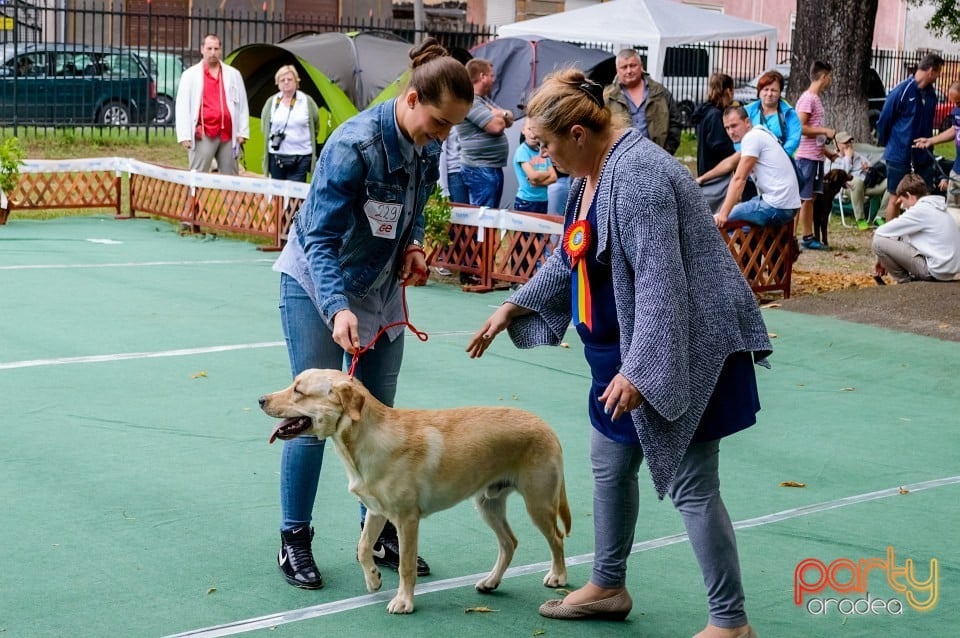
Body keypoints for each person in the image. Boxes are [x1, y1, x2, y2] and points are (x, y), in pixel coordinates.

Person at [467, 69, 770, 638]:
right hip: (622, 353)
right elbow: (569, 257)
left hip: (681, 349)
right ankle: (607, 586)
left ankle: (730, 623)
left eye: (546, 146)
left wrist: (641, 371)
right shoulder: (590, 175)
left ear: (578, 133)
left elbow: (662, 287)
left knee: (693, 485)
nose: (544, 157)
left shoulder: (640, 178)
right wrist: (514, 306)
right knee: (609, 465)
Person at [269, 37, 473, 590]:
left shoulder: (427, 145)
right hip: (317, 284)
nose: (444, 136)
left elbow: (407, 209)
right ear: (411, 100)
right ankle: (294, 539)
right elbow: (319, 239)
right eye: (438, 122)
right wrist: (337, 308)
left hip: (379, 290)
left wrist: (410, 246)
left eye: (453, 127)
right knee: (311, 419)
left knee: (381, 419)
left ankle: (378, 530)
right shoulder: (352, 145)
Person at [698, 105, 800, 228]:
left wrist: (723, 215)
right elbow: (729, 163)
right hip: (785, 205)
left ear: (747, 122)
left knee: (716, 222)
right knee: (740, 227)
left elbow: (739, 179)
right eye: (727, 128)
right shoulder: (758, 134)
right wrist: (702, 178)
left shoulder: (752, 138)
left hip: (777, 205)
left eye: (734, 126)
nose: (730, 132)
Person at [876, 52, 944, 222]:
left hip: (923, 154)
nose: (939, 76)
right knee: (896, 197)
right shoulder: (902, 91)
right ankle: (890, 236)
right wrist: (890, 144)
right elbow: (884, 120)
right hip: (900, 154)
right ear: (931, 71)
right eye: (938, 72)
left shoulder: (931, 95)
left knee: (925, 198)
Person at [175, 34, 249, 175]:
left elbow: (242, 104)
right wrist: (184, 135)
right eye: (209, 48)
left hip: (228, 132)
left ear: (220, 50)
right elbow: (182, 106)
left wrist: (242, 131)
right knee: (197, 174)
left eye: (216, 48)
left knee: (231, 176)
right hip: (203, 132)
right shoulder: (190, 75)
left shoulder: (233, 74)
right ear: (202, 49)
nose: (213, 52)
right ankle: (195, 197)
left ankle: (230, 197)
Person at [873, 173, 960, 284]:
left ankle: (905, 283)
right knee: (902, 235)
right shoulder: (936, 206)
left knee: (878, 242)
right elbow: (899, 235)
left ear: (909, 195)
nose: (903, 206)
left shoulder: (919, 210)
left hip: (936, 271)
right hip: (949, 270)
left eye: (903, 201)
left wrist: (880, 259)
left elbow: (880, 232)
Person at [456, 58, 514, 208]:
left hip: (488, 168)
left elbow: (510, 118)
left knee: (490, 216)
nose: (494, 79)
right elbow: (497, 126)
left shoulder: (483, 100)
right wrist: (501, 115)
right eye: (491, 75)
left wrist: (500, 114)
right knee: (483, 218)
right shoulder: (470, 101)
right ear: (482, 76)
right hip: (480, 169)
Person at [604, 49, 682, 155]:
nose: (629, 71)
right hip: (622, 159)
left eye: (633, 65)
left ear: (641, 66)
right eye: (624, 67)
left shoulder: (660, 92)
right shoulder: (608, 97)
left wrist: (666, 152)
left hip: (657, 158)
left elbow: (675, 123)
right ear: (617, 70)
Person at [794, 60, 836, 250]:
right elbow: (800, 128)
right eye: (830, 77)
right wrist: (825, 130)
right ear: (824, 76)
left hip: (816, 156)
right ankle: (791, 236)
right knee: (802, 198)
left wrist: (826, 152)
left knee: (811, 198)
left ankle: (807, 236)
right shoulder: (808, 99)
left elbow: (813, 133)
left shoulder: (817, 99)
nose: (830, 81)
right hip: (806, 157)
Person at [259, 65, 320, 182]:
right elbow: (265, 127)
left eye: (290, 79)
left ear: (296, 81)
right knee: (278, 196)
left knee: (295, 197)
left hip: (302, 156)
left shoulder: (307, 101)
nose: (286, 82)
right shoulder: (271, 102)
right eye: (282, 80)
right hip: (276, 157)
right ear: (277, 83)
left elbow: (316, 127)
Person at [691, 73, 740, 212]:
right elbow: (719, 145)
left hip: (705, 166)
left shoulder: (705, 111)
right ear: (728, 91)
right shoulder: (715, 115)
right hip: (716, 171)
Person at [913, 80, 960, 208]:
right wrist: (930, 141)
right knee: (952, 207)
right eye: (954, 102)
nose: (956, 105)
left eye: (958, 101)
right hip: (957, 169)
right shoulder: (957, 112)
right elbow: (955, 130)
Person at [831, 131, 888, 229]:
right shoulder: (833, 158)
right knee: (857, 181)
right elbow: (839, 176)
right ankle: (860, 219)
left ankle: (880, 216)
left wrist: (868, 169)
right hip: (848, 187)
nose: (848, 145)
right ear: (837, 145)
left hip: (866, 185)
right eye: (845, 143)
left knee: (891, 183)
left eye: (850, 142)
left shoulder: (857, 156)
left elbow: (870, 170)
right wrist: (848, 158)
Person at [742, 70, 802, 157]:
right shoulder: (746, 112)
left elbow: (793, 139)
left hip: (781, 161)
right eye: (765, 89)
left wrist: (778, 156)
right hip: (751, 160)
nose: (769, 94)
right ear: (759, 91)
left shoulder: (789, 114)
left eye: (774, 90)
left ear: (780, 92)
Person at [513, 119, 557, 213]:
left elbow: (554, 177)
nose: (532, 134)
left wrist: (536, 182)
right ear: (523, 130)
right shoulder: (522, 151)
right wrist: (547, 173)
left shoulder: (542, 151)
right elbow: (533, 176)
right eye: (529, 129)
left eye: (535, 130)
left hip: (543, 200)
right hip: (526, 201)